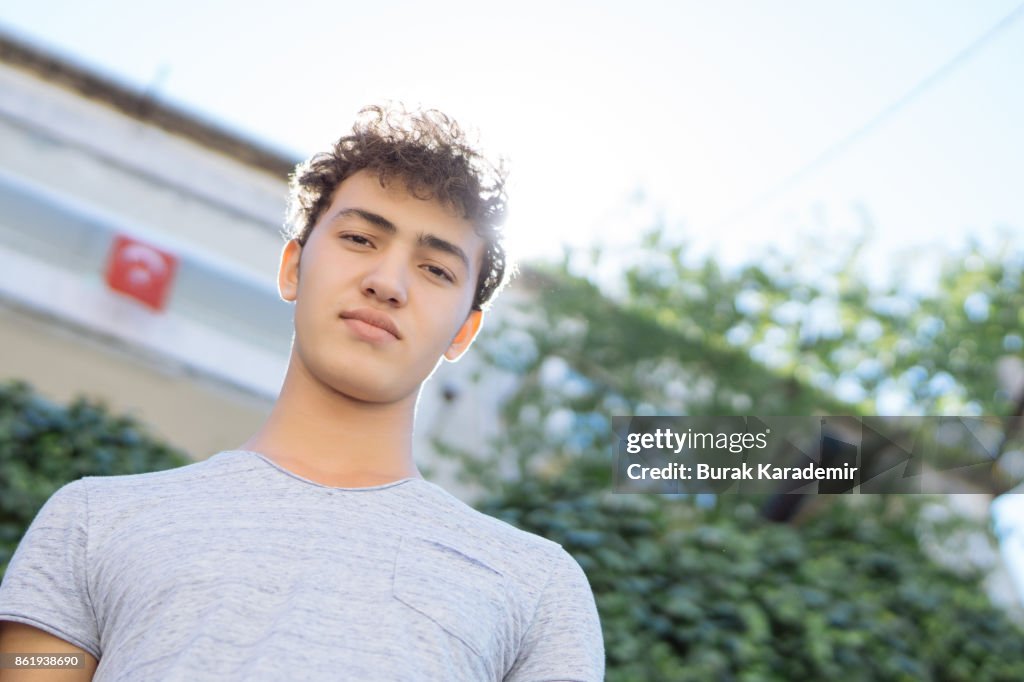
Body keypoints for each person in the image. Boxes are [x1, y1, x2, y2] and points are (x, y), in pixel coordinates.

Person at [0, 104, 605, 680]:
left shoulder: (537, 587)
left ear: (465, 331)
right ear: (292, 268)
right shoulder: (90, 522)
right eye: (361, 239)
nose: (387, 283)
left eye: (436, 269)